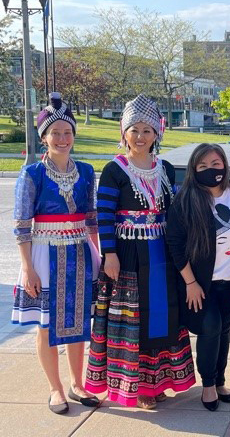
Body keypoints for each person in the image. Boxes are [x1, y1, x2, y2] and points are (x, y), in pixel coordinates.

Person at [85, 94, 195, 409]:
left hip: (161, 252)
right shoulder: (114, 170)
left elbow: (173, 212)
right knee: (135, 318)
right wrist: (110, 255)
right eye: (134, 129)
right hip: (128, 255)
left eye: (147, 130)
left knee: (163, 313)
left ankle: (159, 381)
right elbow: (103, 215)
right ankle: (138, 388)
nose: (141, 136)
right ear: (124, 133)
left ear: (157, 133)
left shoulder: (166, 169)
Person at [12, 92, 101, 414]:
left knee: (79, 322)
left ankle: (78, 384)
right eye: (56, 133)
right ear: (44, 137)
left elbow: (91, 218)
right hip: (44, 256)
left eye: (68, 132)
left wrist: (98, 254)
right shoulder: (32, 174)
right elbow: (22, 224)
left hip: (79, 251)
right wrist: (27, 269)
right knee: (47, 324)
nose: (63, 139)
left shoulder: (88, 171)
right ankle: (55, 388)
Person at [166, 143, 230, 411]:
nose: (210, 170)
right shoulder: (186, 199)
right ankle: (207, 385)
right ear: (195, 169)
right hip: (201, 284)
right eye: (203, 166)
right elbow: (175, 243)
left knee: (225, 329)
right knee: (210, 327)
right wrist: (190, 283)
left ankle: (220, 381)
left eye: (215, 164)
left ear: (224, 164)